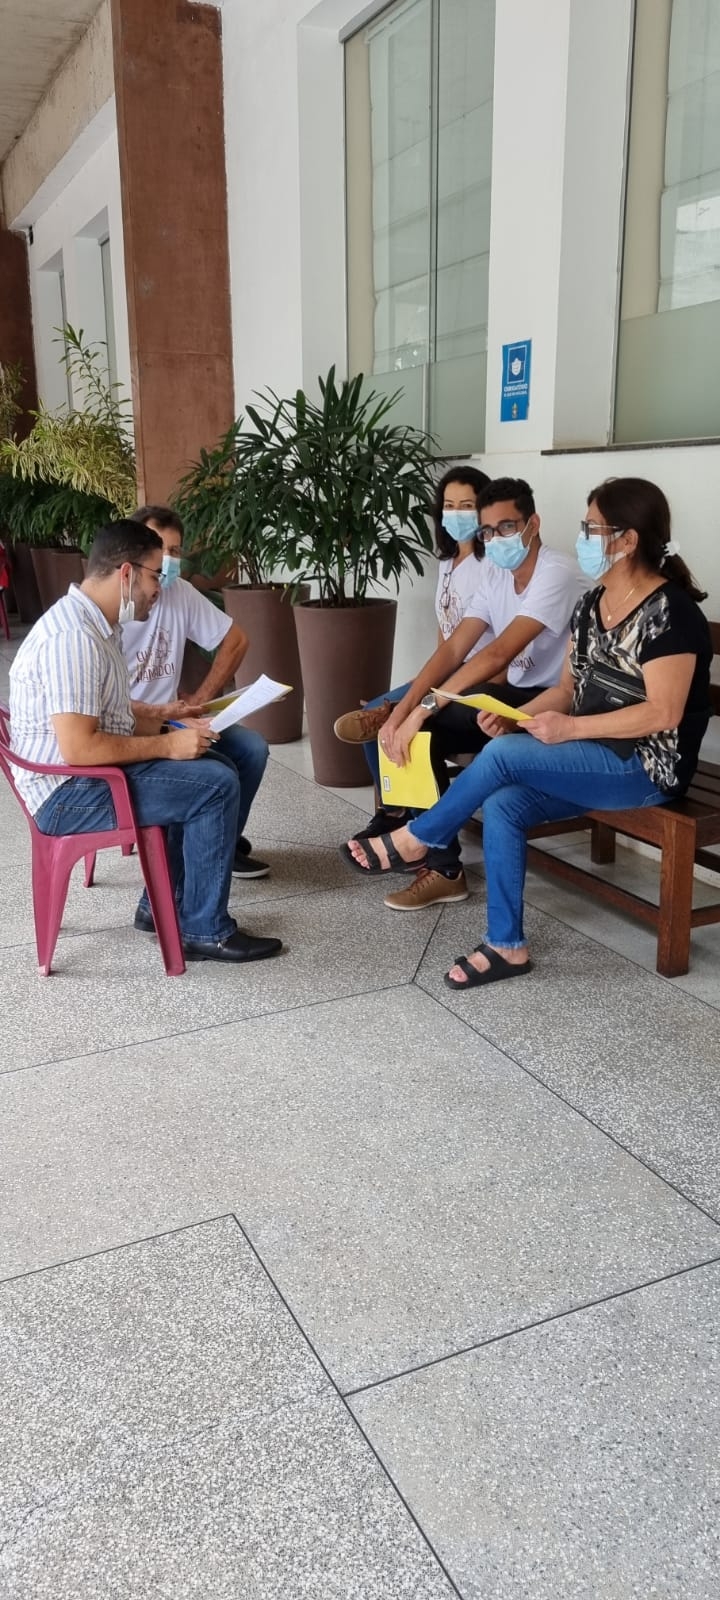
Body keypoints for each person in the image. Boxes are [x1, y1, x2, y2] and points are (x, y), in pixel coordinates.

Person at [342, 477, 711, 987]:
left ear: (627, 540)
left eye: (593, 528)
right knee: (504, 801)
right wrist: (521, 716)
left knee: (504, 757)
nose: (584, 537)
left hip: (645, 765)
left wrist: (568, 728)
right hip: (593, 752)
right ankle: (507, 946)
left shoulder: (671, 614)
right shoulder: (593, 605)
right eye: (585, 527)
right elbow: (566, 688)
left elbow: (663, 714)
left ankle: (418, 837)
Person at [8, 520, 283, 965]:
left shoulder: (96, 623)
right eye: (156, 574)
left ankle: (161, 907)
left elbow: (104, 710)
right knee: (212, 783)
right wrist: (168, 746)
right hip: (67, 792)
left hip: (77, 777)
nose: (160, 587)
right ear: (126, 573)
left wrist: (164, 718)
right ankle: (203, 930)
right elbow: (81, 749)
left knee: (222, 762)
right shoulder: (74, 638)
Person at [342, 476, 587, 909]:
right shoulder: (497, 575)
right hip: (508, 699)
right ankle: (432, 856)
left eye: (507, 528)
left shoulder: (557, 571)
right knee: (407, 725)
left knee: (428, 726)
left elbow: (497, 653)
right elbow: (456, 645)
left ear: (533, 523)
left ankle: (440, 866)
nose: (496, 539)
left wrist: (421, 709)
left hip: (551, 702)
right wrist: (403, 710)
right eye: (488, 531)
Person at [333, 464, 492, 828]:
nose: (457, 514)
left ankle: (416, 825)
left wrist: (427, 697)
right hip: (450, 675)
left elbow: (496, 653)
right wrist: (420, 685)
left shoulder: (491, 565)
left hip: (479, 681)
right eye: (449, 505)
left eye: (467, 505)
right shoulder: (449, 562)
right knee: (375, 713)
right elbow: (447, 639)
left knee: (396, 717)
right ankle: (393, 810)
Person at [124, 505, 269, 878]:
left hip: (175, 719)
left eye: (176, 551)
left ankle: (223, 846)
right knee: (214, 771)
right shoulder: (113, 605)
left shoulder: (180, 593)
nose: (169, 561)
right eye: (161, 551)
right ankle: (195, 863)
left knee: (251, 749)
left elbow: (236, 641)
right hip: (134, 729)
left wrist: (200, 701)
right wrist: (164, 720)